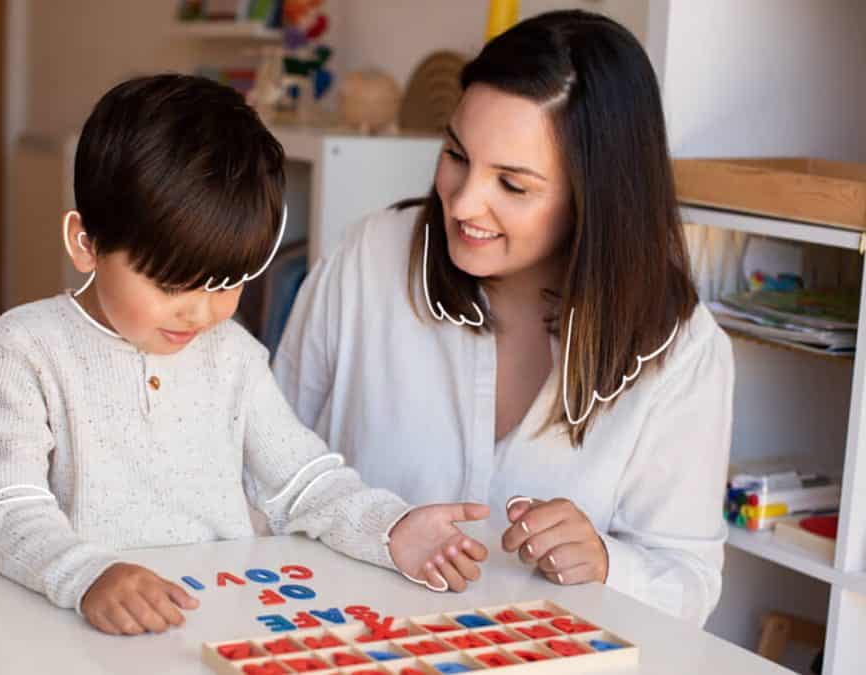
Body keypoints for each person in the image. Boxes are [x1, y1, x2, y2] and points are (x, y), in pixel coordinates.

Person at [0, 74, 490, 637]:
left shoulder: (233, 353)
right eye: (172, 285)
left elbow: (301, 481)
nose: (201, 313)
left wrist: (391, 529)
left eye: (227, 282)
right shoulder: (28, 346)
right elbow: (5, 506)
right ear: (85, 243)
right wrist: (87, 576)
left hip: (214, 618)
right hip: (77, 619)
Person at [275, 11, 733, 626]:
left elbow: (689, 582)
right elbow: (266, 467)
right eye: (456, 155)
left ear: (596, 198)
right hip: (338, 640)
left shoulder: (683, 349)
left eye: (513, 185)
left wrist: (604, 563)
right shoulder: (370, 259)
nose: (464, 202)